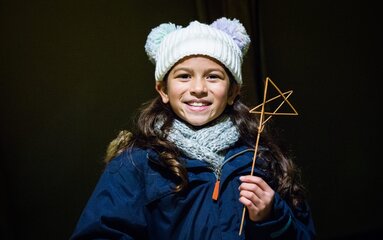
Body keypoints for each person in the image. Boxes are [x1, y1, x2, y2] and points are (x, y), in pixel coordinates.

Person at [70, 17, 316, 239]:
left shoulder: (263, 159)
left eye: (213, 76)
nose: (198, 88)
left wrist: (273, 217)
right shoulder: (136, 162)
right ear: (163, 90)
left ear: (232, 92)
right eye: (184, 76)